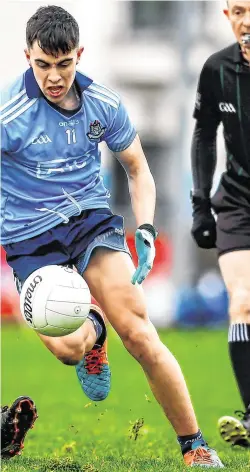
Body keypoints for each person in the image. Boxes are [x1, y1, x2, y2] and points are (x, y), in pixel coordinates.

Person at [1, 6, 223, 467]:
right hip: (29, 241)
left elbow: (138, 168)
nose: (54, 77)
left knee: (139, 330)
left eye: (64, 64)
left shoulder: (103, 103)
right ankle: (94, 334)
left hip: (90, 223)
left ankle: (195, 445)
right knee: (67, 348)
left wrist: (144, 226)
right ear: (28, 57)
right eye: (43, 65)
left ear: (79, 54)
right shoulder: (9, 114)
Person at [191, 0, 250, 449]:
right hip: (237, 202)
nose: (245, 21)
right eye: (237, 11)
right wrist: (199, 204)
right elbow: (203, 136)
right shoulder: (216, 70)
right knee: (243, 302)